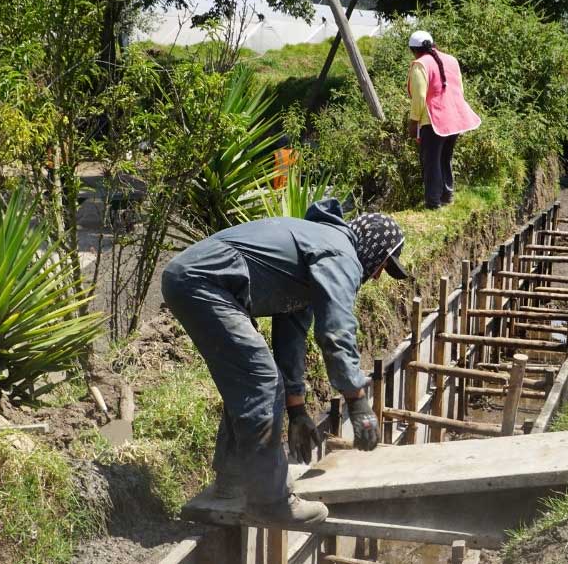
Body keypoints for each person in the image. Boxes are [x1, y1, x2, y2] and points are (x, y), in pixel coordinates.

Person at [160, 199, 409, 526]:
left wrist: (297, 410)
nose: (376, 277)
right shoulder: (342, 253)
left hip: (196, 280)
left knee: (250, 378)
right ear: (373, 249)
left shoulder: (318, 250)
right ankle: (270, 501)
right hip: (203, 283)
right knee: (261, 380)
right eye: (383, 266)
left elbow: (291, 337)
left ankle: (230, 483)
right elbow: (336, 333)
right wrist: (358, 402)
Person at [406, 31, 481, 209]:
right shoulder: (451, 60)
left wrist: (413, 122)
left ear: (413, 50)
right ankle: (447, 196)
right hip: (454, 119)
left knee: (431, 161)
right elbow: (459, 90)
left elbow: (419, 97)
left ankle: (433, 203)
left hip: (433, 120)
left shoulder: (420, 65)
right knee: (445, 158)